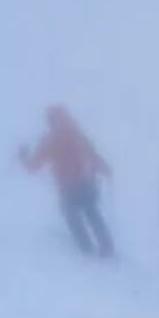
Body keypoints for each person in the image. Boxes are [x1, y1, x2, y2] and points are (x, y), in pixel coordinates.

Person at [19, 105, 115, 258]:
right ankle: (107, 247)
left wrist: (22, 156)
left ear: (50, 121)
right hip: (87, 183)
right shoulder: (78, 134)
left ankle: (87, 249)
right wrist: (105, 169)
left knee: (72, 216)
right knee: (92, 213)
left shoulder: (50, 140)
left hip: (67, 187)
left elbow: (33, 166)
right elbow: (93, 155)